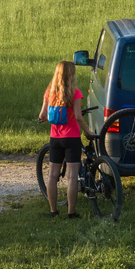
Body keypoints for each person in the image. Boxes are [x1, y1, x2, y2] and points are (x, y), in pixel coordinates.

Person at [39, 61, 95, 219]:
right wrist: (87, 131)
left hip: (55, 138)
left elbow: (42, 115)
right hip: (72, 138)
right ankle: (71, 212)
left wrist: (47, 117)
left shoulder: (49, 92)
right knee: (72, 176)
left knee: (52, 175)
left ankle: (53, 211)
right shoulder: (75, 93)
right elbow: (78, 116)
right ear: (71, 74)